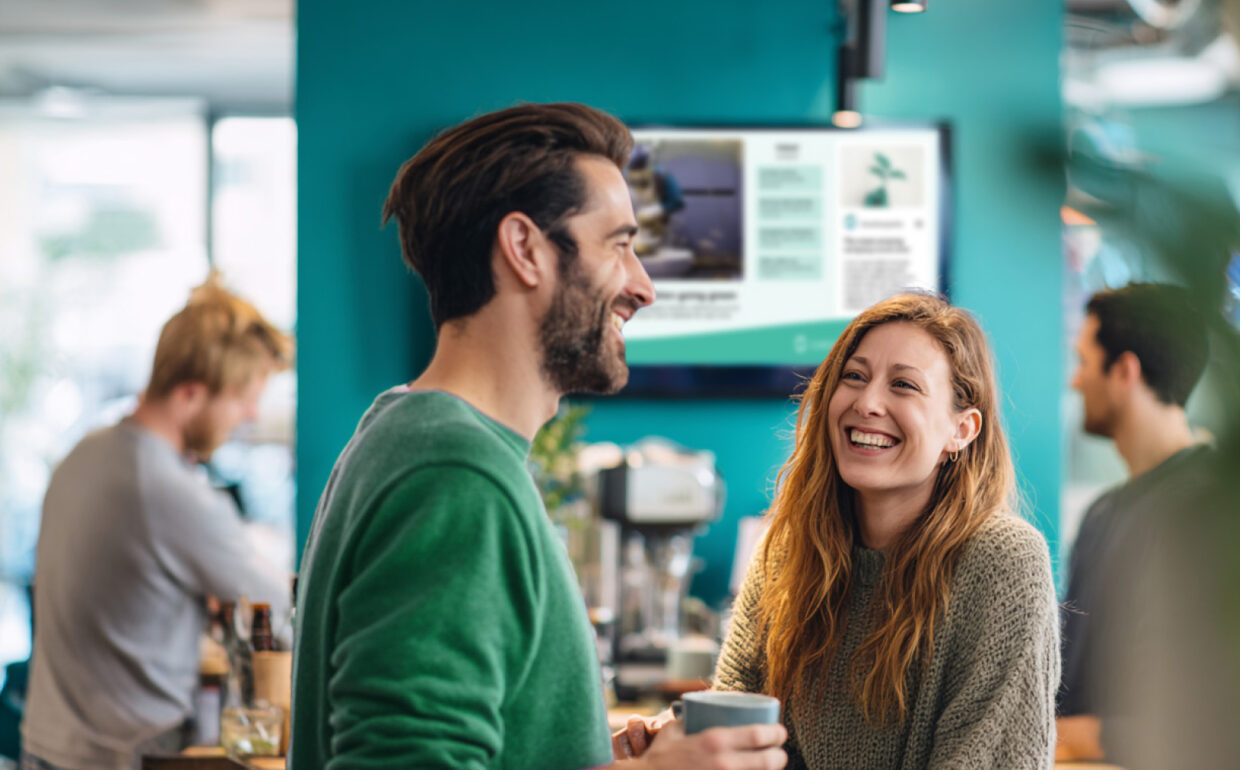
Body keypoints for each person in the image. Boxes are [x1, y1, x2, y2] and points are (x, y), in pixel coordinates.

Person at [289, 102, 787, 770]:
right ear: (525, 249)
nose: (643, 287)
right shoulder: (455, 475)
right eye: (619, 245)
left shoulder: (406, 431)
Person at [620, 292, 1060, 768]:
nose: (867, 403)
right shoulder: (787, 548)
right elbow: (742, 729)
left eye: (904, 386)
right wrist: (680, 743)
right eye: (854, 376)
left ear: (962, 430)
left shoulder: (1004, 561)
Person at [21, 276, 293, 770]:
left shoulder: (87, 452)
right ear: (191, 392)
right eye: (241, 399)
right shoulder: (162, 485)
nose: (250, 415)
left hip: (50, 745)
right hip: (118, 756)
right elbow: (283, 606)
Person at [1056, 282, 1213, 762]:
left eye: (1083, 362)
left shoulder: (1209, 510)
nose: (1074, 381)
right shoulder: (1102, 514)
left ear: (1124, 371)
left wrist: (1065, 738)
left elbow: (1200, 720)